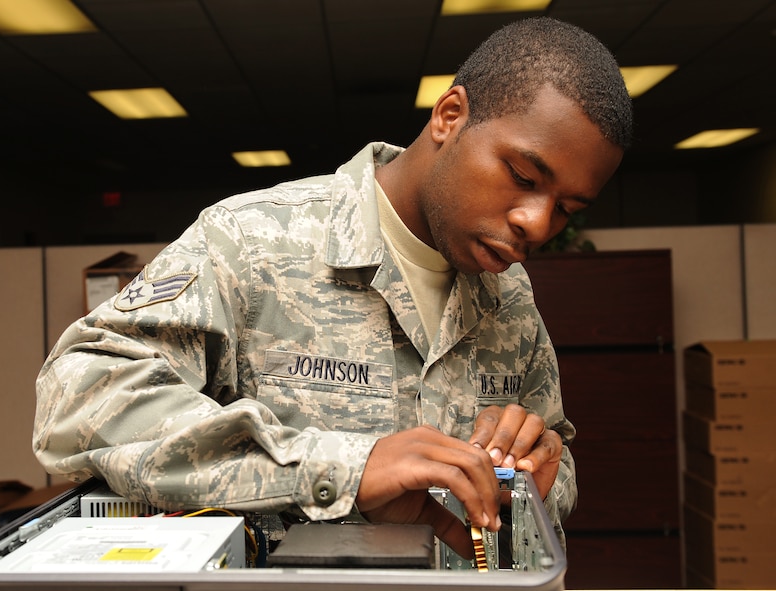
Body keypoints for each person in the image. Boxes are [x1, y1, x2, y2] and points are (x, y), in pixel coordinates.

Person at [33, 16, 632, 560]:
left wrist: (537, 474)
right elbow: (79, 399)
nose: (537, 223)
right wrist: (341, 467)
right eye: (524, 176)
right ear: (450, 116)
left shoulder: (511, 298)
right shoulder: (255, 240)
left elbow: (557, 462)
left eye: (567, 209)